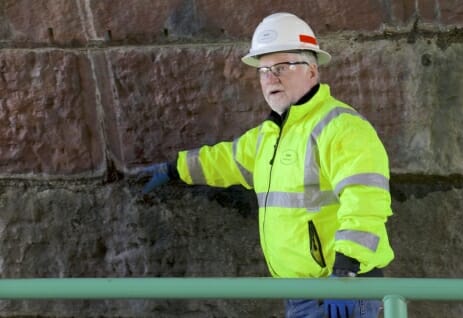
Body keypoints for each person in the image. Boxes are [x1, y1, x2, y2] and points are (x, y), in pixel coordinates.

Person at [138, 12, 394, 318]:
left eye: (282, 67)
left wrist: (347, 275)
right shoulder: (269, 137)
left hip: (339, 289)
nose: (271, 78)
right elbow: (225, 160)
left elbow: (366, 201)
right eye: (263, 70)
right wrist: (173, 168)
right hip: (302, 293)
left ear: (312, 71)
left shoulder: (341, 128)